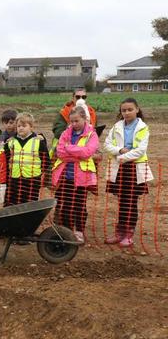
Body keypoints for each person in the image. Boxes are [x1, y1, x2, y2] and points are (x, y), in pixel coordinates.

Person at [103, 98, 153, 247]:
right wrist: (119, 150)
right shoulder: (116, 126)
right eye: (123, 110)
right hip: (119, 169)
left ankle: (129, 234)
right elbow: (106, 144)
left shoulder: (143, 128)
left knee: (131, 202)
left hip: (134, 169)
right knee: (122, 202)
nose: (126, 113)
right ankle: (120, 232)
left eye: (130, 109)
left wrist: (123, 157)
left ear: (137, 109)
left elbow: (140, 150)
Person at [52, 107, 99, 243]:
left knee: (79, 205)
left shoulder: (92, 134)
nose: (73, 124)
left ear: (85, 119)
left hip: (82, 178)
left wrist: (69, 148)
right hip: (66, 176)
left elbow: (88, 152)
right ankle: (67, 231)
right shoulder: (66, 133)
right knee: (65, 206)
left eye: (76, 121)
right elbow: (60, 152)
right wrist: (77, 152)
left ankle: (79, 231)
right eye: (71, 121)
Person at [4, 113, 49, 206]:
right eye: (18, 126)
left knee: (30, 203)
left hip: (32, 180)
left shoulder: (38, 142)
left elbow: (46, 161)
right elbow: (5, 160)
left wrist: (38, 172)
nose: (20, 128)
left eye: (24, 126)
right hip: (14, 179)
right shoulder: (10, 142)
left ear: (31, 127)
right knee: (14, 203)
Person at [52, 88, 97, 158]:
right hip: (67, 147)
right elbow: (58, 131)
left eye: (84, 97)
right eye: (78, 97)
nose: (81, 99)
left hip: (86, 149)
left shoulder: (91, 112)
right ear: (73, 98)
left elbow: (94, 130)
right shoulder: (65, 112)